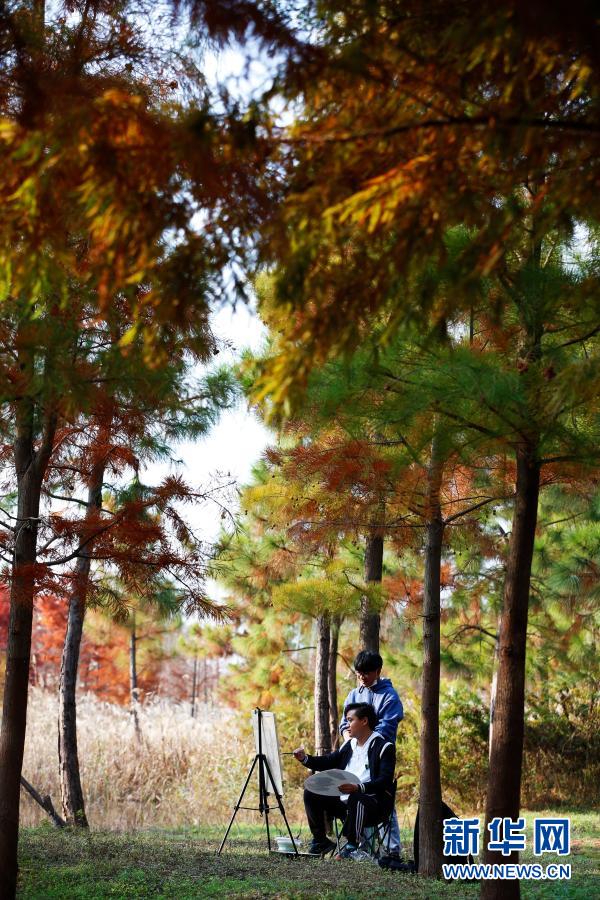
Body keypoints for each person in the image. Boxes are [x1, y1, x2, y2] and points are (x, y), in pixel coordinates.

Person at [293, 702, 395, 858]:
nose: (347, 725)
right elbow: (329, 761)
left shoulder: (384, 747)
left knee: (357, 798)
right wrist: (305, 758)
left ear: (364, 721)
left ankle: (352, 845)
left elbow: (385, 781)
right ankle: (320, 841)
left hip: (373, 805)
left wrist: (358, 788)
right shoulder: (350, 745)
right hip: (344, 801)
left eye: (350, 720)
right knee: (311, 793)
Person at [339, 650, 403, 856]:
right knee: (357, 795)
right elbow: (344, 724)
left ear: (378, 671)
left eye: (366, 673)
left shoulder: (389, 696)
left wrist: (363, 740)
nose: (362, 677)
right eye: (359, 673)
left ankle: (392, 849)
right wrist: (349, 740)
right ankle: (362, 846)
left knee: (383, 798)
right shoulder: (354, 694)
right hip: (355, 755)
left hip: (380, 756)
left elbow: (387, 728)